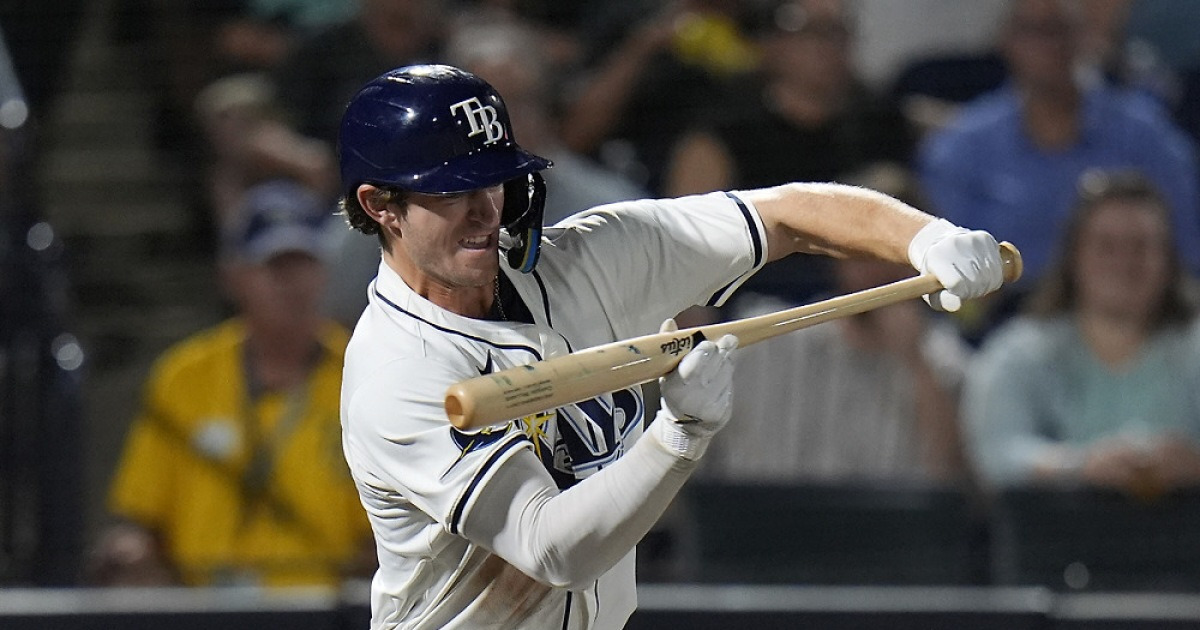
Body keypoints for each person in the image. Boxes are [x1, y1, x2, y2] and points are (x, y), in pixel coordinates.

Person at [337, 64, 1005, 629]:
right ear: (379, 206)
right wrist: (677, 436)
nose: (486, 210)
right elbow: (550, 549)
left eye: (493, 179)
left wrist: (924, 238)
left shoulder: (589, 259)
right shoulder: (396, 372)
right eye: (452, 192)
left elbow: (786, 213)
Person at [90, 179, 372, 587]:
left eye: (303, 263)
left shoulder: (365, 373)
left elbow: (392, 526)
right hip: (202, 606)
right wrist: (130, 549)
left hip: (326, 605)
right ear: (233, 277)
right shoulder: (185, 377)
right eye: (274, 266)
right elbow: (141, 517)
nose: (292, 283)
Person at [703, 165, 974, 485]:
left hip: (884, 517)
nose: (872, 265)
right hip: (760, 516)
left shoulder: (946, 364)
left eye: (890, 252)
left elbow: (950, 486)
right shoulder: (763, 339)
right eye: (859, 248)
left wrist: (916, 364)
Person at [918, 0, 1200, 294]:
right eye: (1032, 31)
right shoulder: (961, 146)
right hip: (1000, 312)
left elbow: (1187, 252)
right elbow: (943, 263)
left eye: (1058, 30)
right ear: (1005, 41)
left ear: (1086, 37)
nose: (1047, 45)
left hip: (1131, 307)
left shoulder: (1147, 136)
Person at [665, 0, 916, 311]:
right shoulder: (725, 133)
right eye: (811, 31)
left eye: (837, 31)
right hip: (759, 309)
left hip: (869, 301)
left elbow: (906, 219)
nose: (828, 45)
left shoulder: (879, 123)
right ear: (769, 42)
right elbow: (688, 253)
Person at [964, 170, 1200, 497]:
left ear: (1169, 259)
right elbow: (997, 454)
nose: (1125, 262)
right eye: (1106, 246)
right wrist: (1080, 466)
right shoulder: (1018, 353)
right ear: (1073, 256)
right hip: (1061, 526)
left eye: (1142, 246)